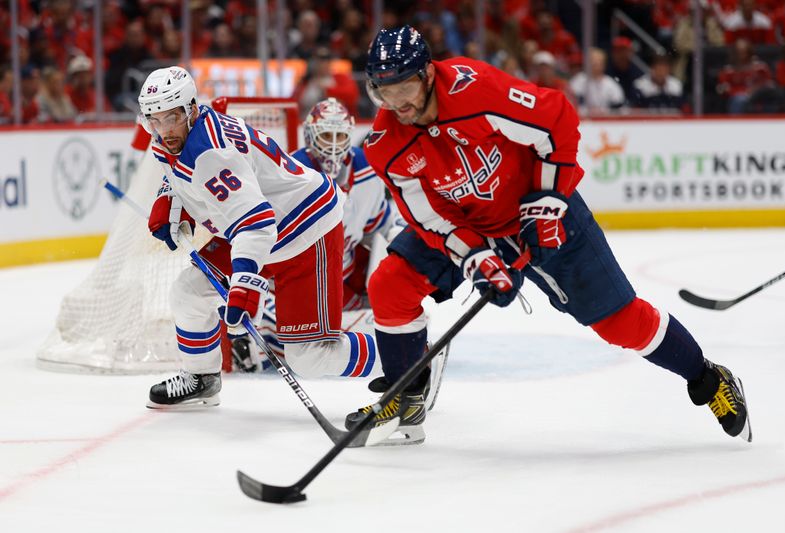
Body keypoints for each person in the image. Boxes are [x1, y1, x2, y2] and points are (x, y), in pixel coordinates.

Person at [346, 25, 752, 445]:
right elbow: (430, 218)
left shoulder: (475, 91)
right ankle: (405, 396)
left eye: (404, 88)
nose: (397, 104)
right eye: (384, 92)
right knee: (390, 284)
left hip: (545, 209)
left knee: (620, 322)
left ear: (428, 73)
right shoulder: (385, 144)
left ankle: (707, 377)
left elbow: (555, 121)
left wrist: (545, 204)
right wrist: (476, 257)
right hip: (475, 227)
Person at [137, 66, 378, 409]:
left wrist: (245, 286)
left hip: (305, 230)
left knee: (309, 357)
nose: (163, 130)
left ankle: (407, 358)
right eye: (155, 121)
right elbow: (186, 176)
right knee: (189, 293)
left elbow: (257, 223)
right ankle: (202, 379)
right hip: (257, 229)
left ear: (191, 108)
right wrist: (171, 200)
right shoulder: (179, 136)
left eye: (171, 117)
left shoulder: (211, 153)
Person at [228, 97, 406, 370]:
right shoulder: (291, 172)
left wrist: (406, 252)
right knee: (292, 348)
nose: (333, 145)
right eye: (325, 135)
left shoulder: (368, 170)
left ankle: (405, 349)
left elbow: (381, 224)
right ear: (311, 136)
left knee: (392, 301)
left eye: (339, 135)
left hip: (342, 282)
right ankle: (398, 351)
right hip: (299, 279)